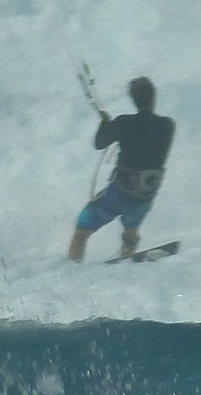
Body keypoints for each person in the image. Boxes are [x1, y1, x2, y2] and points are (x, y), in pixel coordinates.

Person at [69, 76, 174, 262]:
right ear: (154, 97)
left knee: (82, 228)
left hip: (119, 195)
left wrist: (105, 125)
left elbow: (99, 143)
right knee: (131, 226)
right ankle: (127, 254)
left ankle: (72, 266)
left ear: (133, 100)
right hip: (145, 198)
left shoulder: (124, 123)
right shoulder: (167, 126)